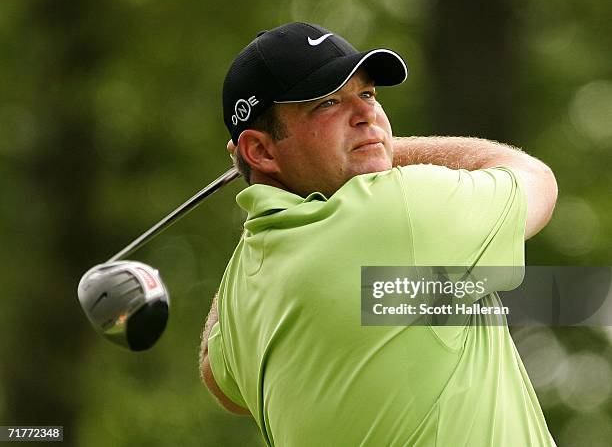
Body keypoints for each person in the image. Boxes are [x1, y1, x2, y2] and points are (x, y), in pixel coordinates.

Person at [199, 22, 558, 446]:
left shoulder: (245, 280)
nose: (367, 114)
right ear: (260, 149)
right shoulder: (399, 208)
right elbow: (535, 180)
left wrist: (263, 194)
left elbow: (218, 377)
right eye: (328, 103)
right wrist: (388, 147)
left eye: (367, 95)